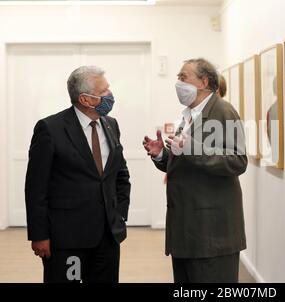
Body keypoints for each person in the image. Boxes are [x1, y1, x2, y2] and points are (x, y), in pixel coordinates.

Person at [143, 58, 247, 283]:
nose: (178, 83)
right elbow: (184, 162)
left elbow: (238, 161)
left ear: (203, 82)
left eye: (183, 77)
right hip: (186, 230)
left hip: (211, 233)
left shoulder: (224, 110)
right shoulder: (189, 115)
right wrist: (161, 155)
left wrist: (194, 149)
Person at [25, 66, 131, 283]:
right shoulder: (50, 128)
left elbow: (120, 175)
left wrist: (119, 214)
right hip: (66, 239)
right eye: (104, 91)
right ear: (85, 99)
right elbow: (36, 187)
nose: (110, 95)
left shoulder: (111, 125)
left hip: (107, 236)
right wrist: (39, 235)